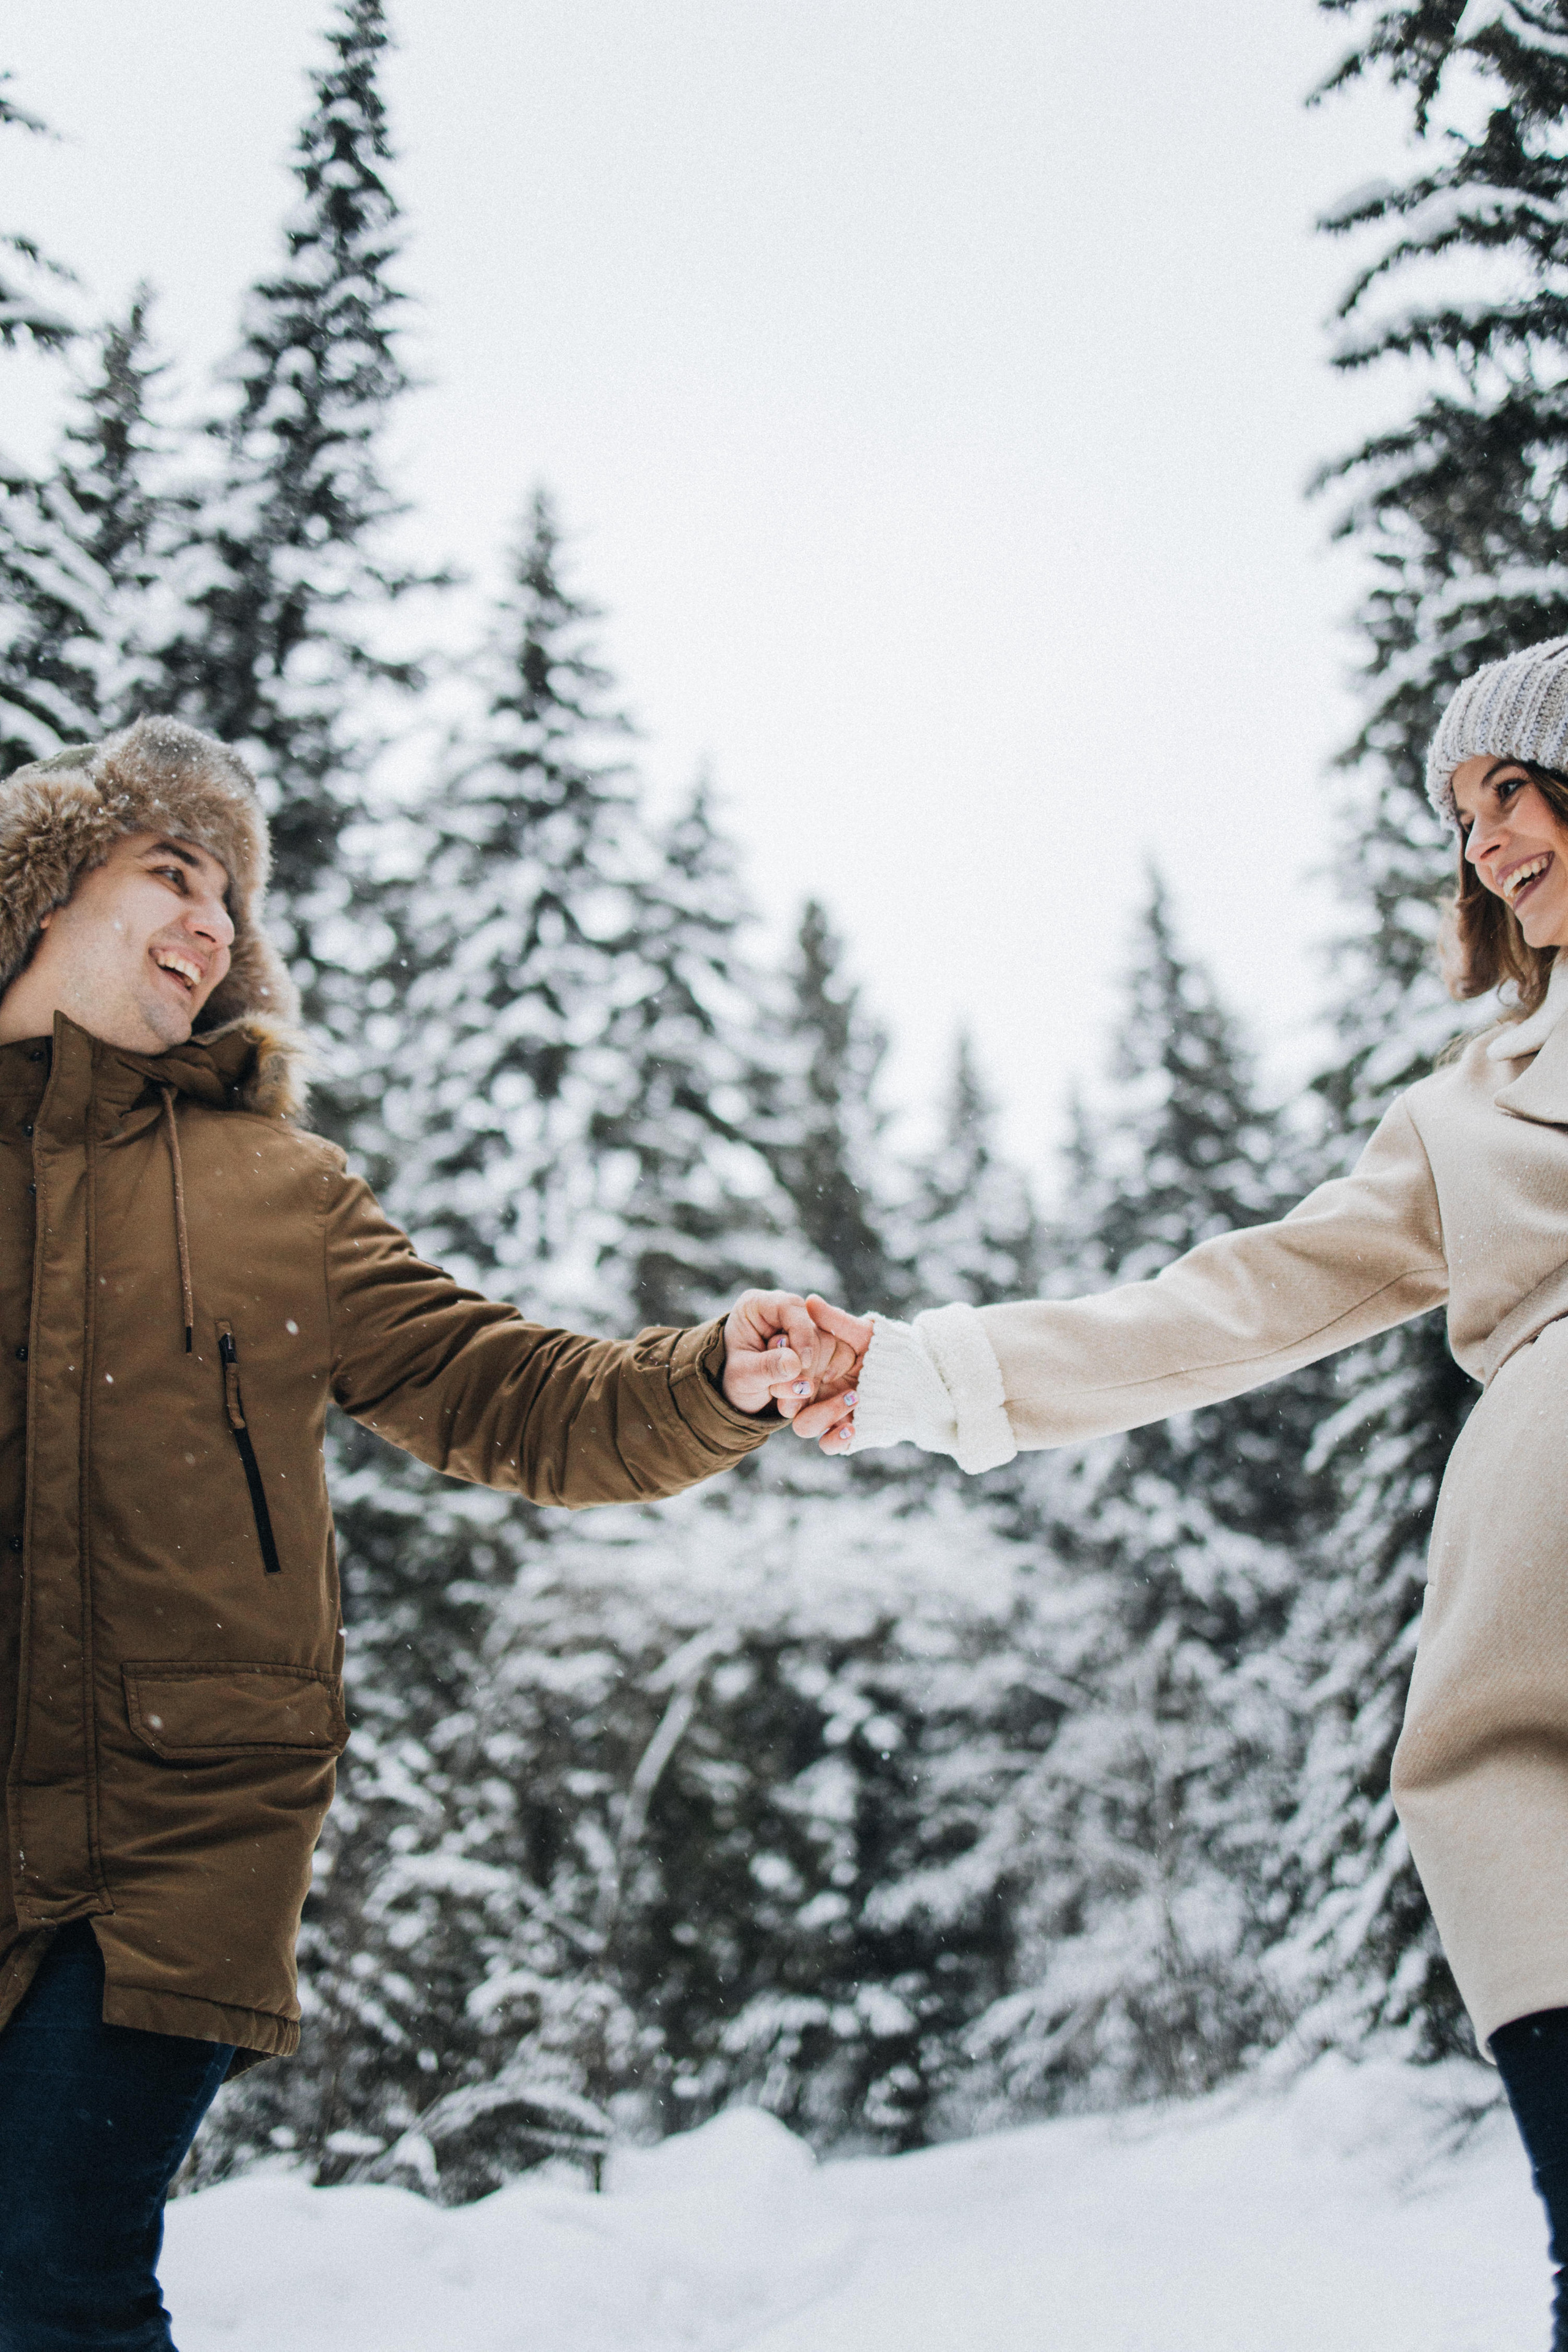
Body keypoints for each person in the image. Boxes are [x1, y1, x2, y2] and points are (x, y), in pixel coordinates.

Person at [0, 715, 842, 2350]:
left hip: (170, 1834)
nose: (212, 925)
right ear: (35, 895)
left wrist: (715, 1378)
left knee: (50, 2267)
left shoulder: (275, 1190)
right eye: (171, 874)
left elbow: (515, 1396)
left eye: (232, 901)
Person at [791, 633, 1568, 2346]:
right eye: (1459, 816)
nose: (1485, 844)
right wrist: (926, 1371)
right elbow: (1233, 1304)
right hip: (1542, 1688)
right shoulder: (1466, 1112)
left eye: (1512, 788)